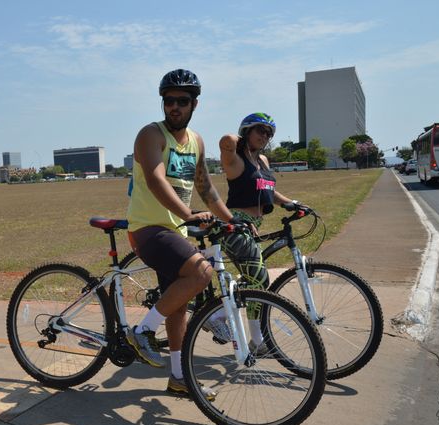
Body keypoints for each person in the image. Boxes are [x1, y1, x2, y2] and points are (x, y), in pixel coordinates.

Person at [126, 69, 235, 400]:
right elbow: (157, 180)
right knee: (202, 271)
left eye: (182, 101)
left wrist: (233, 220)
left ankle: (178, 377)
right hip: (148, 228)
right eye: (169, 100)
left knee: (177, 304)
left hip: (174, 231)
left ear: (194, 104)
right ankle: (143, 330)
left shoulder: (197, 142)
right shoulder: (151, 135)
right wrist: (187, 215)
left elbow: (205, 186)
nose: (175, 107)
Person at [213, 113, 310, 348]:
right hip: (234, 224)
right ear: (247, 131)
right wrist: (244, 137)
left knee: (254, 279)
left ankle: (222, 314)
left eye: (269, 133)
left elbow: (268, 191)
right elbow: (225, 140)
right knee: (259, 279)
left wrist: (292, 203)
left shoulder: (263, 161)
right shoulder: (235, 159)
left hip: (253, 227)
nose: (265, 136)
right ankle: (248, 334)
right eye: (260, 131)